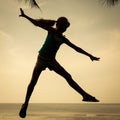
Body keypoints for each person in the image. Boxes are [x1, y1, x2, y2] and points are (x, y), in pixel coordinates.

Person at [19, 8, 100, 118]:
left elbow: (77, 48)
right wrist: (25, 16)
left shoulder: (63, 38)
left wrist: (90, 56)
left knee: (67, 76)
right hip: (42, 58)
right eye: (64, 26)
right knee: (33, 82)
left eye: (66, 27)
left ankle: (85, 95)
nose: (65, 28)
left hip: (52, 61)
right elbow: (37, 23)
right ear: (59, 25)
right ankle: (25, 104)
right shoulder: (51, 30)